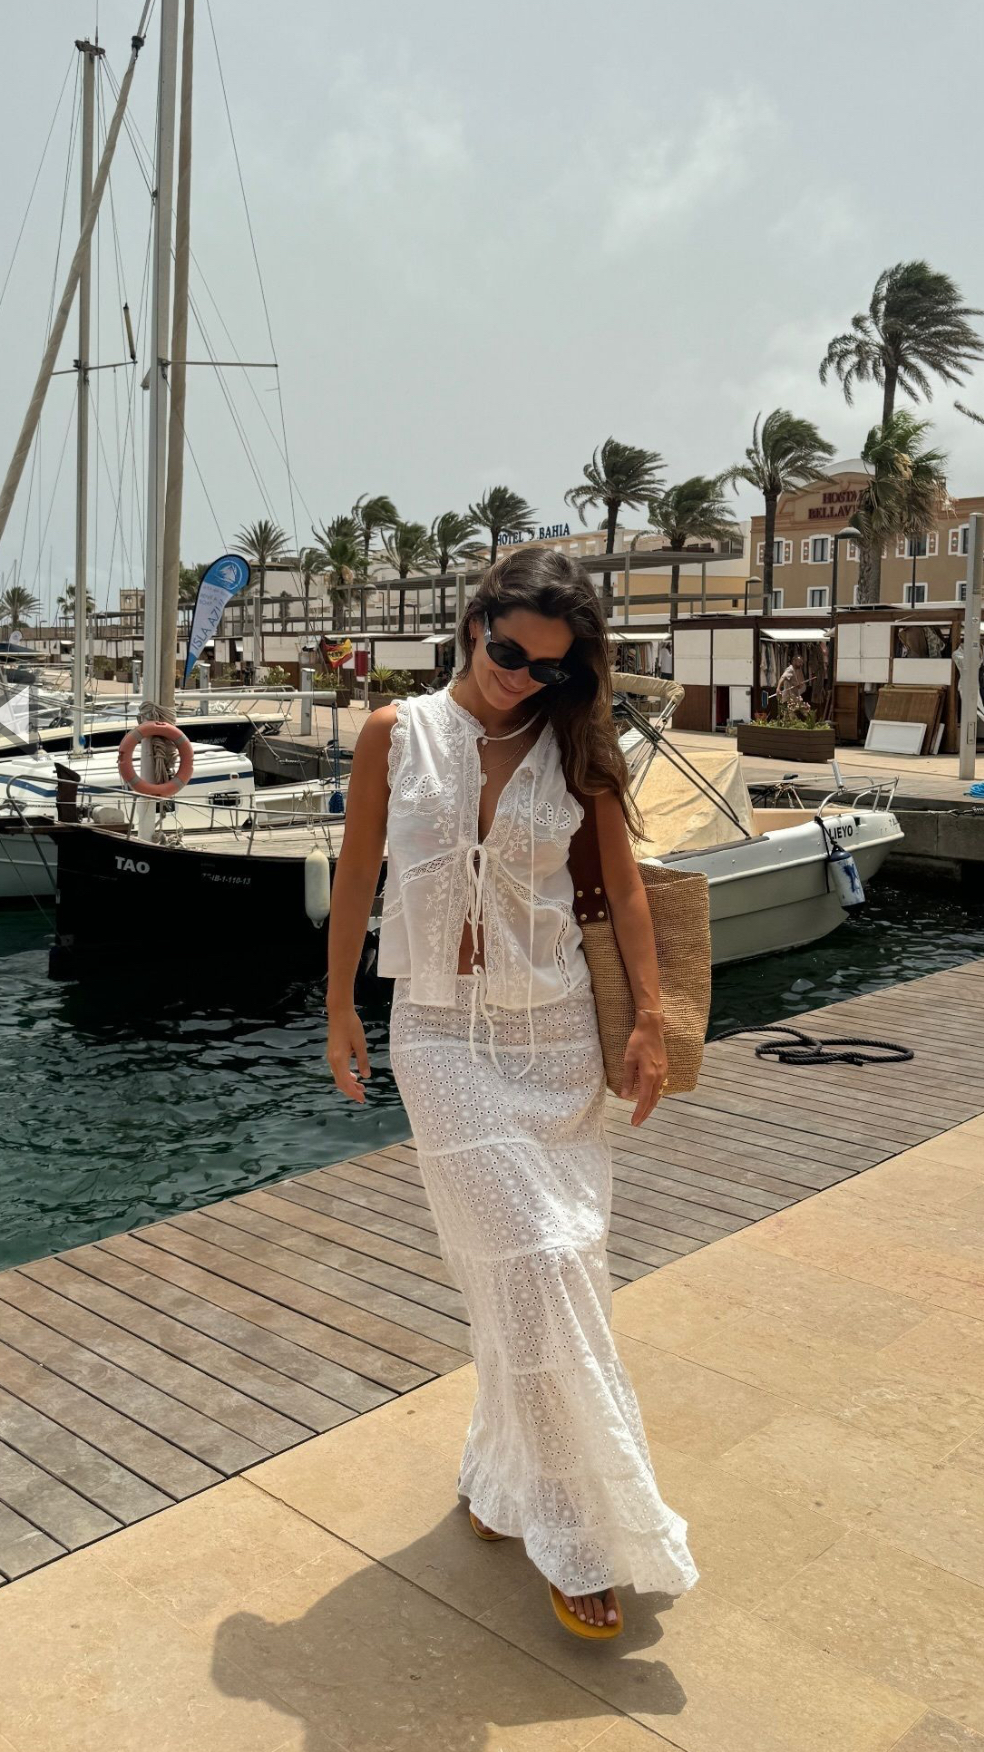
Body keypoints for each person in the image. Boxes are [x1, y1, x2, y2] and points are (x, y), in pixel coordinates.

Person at [325, 545, 698, 1639]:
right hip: (439, 1037)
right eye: (507, 651)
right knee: (535, 1261)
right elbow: (357, 873)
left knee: (556, 1269)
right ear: (473, 622)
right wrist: (339, 1006)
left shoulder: (573, 744)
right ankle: (575, 1529)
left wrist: (651, 1021)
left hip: (556, 1039)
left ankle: (500, 1478)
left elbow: (624, 889)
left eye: (549, 667)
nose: (521, 677)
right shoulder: (394, 735)